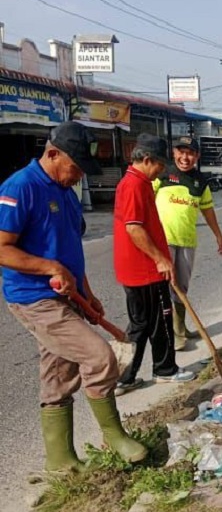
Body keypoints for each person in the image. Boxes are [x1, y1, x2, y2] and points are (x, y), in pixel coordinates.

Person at [0, 121, 147, 472]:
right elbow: (3, 248)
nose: (79, 176)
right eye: (76, 167)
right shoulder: (21, 187)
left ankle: (60, 461)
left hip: (68, 294)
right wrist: (48, 267)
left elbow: (68, 252)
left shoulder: (65, 191)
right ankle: (114, 436)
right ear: (53, 154)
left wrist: (87, 293)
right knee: (99, 357)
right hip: (35, 298)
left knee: (58, 373)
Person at [113, 134, 196, 394]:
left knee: (139, 324)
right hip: (145, 269)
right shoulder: (134, 185)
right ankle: (165, 370)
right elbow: (134, 228)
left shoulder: (137, 182)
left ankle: (124, 377)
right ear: (147, 160)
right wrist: (160, 259)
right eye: (160, 165)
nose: (161, 170)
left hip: (137, 269)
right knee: (161, 320)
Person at [153, 136, 222, 351]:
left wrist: (219, 236)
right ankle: (174, 335)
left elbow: (207, 210)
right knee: (167, 287)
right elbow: (145, 199)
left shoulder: (200, 182)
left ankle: (181, 327)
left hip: (187, 241)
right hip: (164, 240)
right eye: (181, 152)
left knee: (182, 287)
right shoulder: (162, 174)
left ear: (197, 156)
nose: (185, 158)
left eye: (190, 153)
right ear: (174, 153)